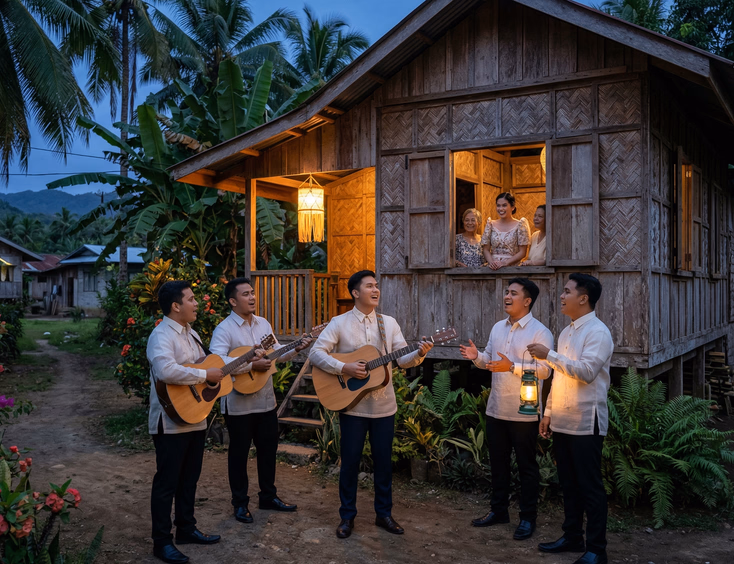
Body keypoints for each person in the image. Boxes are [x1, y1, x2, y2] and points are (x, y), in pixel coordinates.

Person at [309, 270, 433, 539]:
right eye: (369, 286)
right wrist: (345, 367)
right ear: (355, 292)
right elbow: (316, 353)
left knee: (383, 463)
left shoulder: (388, 323)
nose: (375, 290)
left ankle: (384, 514)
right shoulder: (339, 323)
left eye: (376, 286)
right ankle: (346, 517)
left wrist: (419, 354)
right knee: (350, 462)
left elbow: (402, 358)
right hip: (352, 407)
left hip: (384, 406)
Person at [209, 277, 312, 525]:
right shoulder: (224, 329)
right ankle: (240, 503)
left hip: (266, 401)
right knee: (239, 454)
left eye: (253, 292)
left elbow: (277, 353)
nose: (252, 297)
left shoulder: (263, 324)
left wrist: (298, 347)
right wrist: (250, 365)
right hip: (238, 403)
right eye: (246, 294)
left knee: (268, 451)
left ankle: (268, 496)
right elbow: (217, 362)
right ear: (233, 301)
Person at [527, 274, 614, 564]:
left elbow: (587, 372)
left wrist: (549, 355)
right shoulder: (566, 332)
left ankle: (596, 549)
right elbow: (560, 379)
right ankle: (573, 536)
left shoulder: (598, 332)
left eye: (566, 291)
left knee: (590, 486)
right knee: (568, 483)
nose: (561, 296)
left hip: (586, 422)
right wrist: (548, 413)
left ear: (583, 298)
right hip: (562, 420)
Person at [460, 278, 553, 541]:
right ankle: (498, 511)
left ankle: (527, 518)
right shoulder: (497, 328)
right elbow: (489, 361)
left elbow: (546, 370)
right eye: (506, 292)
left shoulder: (540, 333)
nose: (507, 297)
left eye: (513, 293)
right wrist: (476, 356)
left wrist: (512, 366)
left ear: (527, 301)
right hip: (496, 409)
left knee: (526, 467)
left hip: (524, 412)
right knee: (498, 465)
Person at [147, 281, 223, 564]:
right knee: (167, 482)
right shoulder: (161, 335)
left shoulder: (193, 335)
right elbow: (166, 370)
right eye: (191, 299)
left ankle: (186, 528)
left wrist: (244, 361)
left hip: (195, 416)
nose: (196, 304)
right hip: (170, 421)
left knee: (190, 478)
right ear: (175, 306)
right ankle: (161, 541)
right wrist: (205, 376)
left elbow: (205, 365)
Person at [481, 192, 531, 270]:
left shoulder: (520, 225)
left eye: (504, 205)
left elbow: (522, 252)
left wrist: (504, 263)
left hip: (512, 268)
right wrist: (492, 263)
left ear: (513, 207)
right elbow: (486, 249)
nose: (501, 209)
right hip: (492, 269)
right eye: (498, 205)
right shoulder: (490, 224)